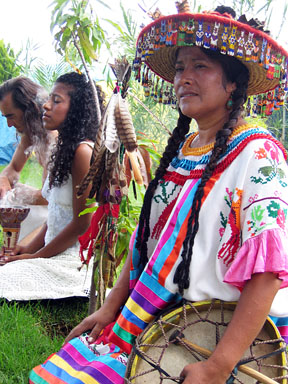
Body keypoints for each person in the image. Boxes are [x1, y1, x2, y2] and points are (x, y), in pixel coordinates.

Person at [29, 5, 288, 384]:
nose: (183, 78)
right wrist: (110, 307)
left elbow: (267, 271)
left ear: (233, 81)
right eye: (180, 68)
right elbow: (147, 237)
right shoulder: (185, 149)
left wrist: (218, 365)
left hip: (216, 333)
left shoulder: (259, 154)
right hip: (153, 315)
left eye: (199, 66)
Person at [0, 72, 106, 300]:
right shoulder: (65, 150)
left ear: (76, 108)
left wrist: (35, 257)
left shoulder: (82, 152)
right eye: (49, 99)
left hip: (71, 261)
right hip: (52, 250)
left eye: (56, 100)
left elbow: (81, 224)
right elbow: (56, 216)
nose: (45, 106)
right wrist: (28, 249)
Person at [0, 77, 56, 241]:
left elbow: (49, 198)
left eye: (11, 116)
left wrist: (16, 193)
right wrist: (4, 179)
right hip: (48, 210)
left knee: (12, 260)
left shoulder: (53, 137)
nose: (9, 125)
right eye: (5, 118)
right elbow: (14, 169)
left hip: (65, 220)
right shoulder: (31, 133)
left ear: (29, 110)